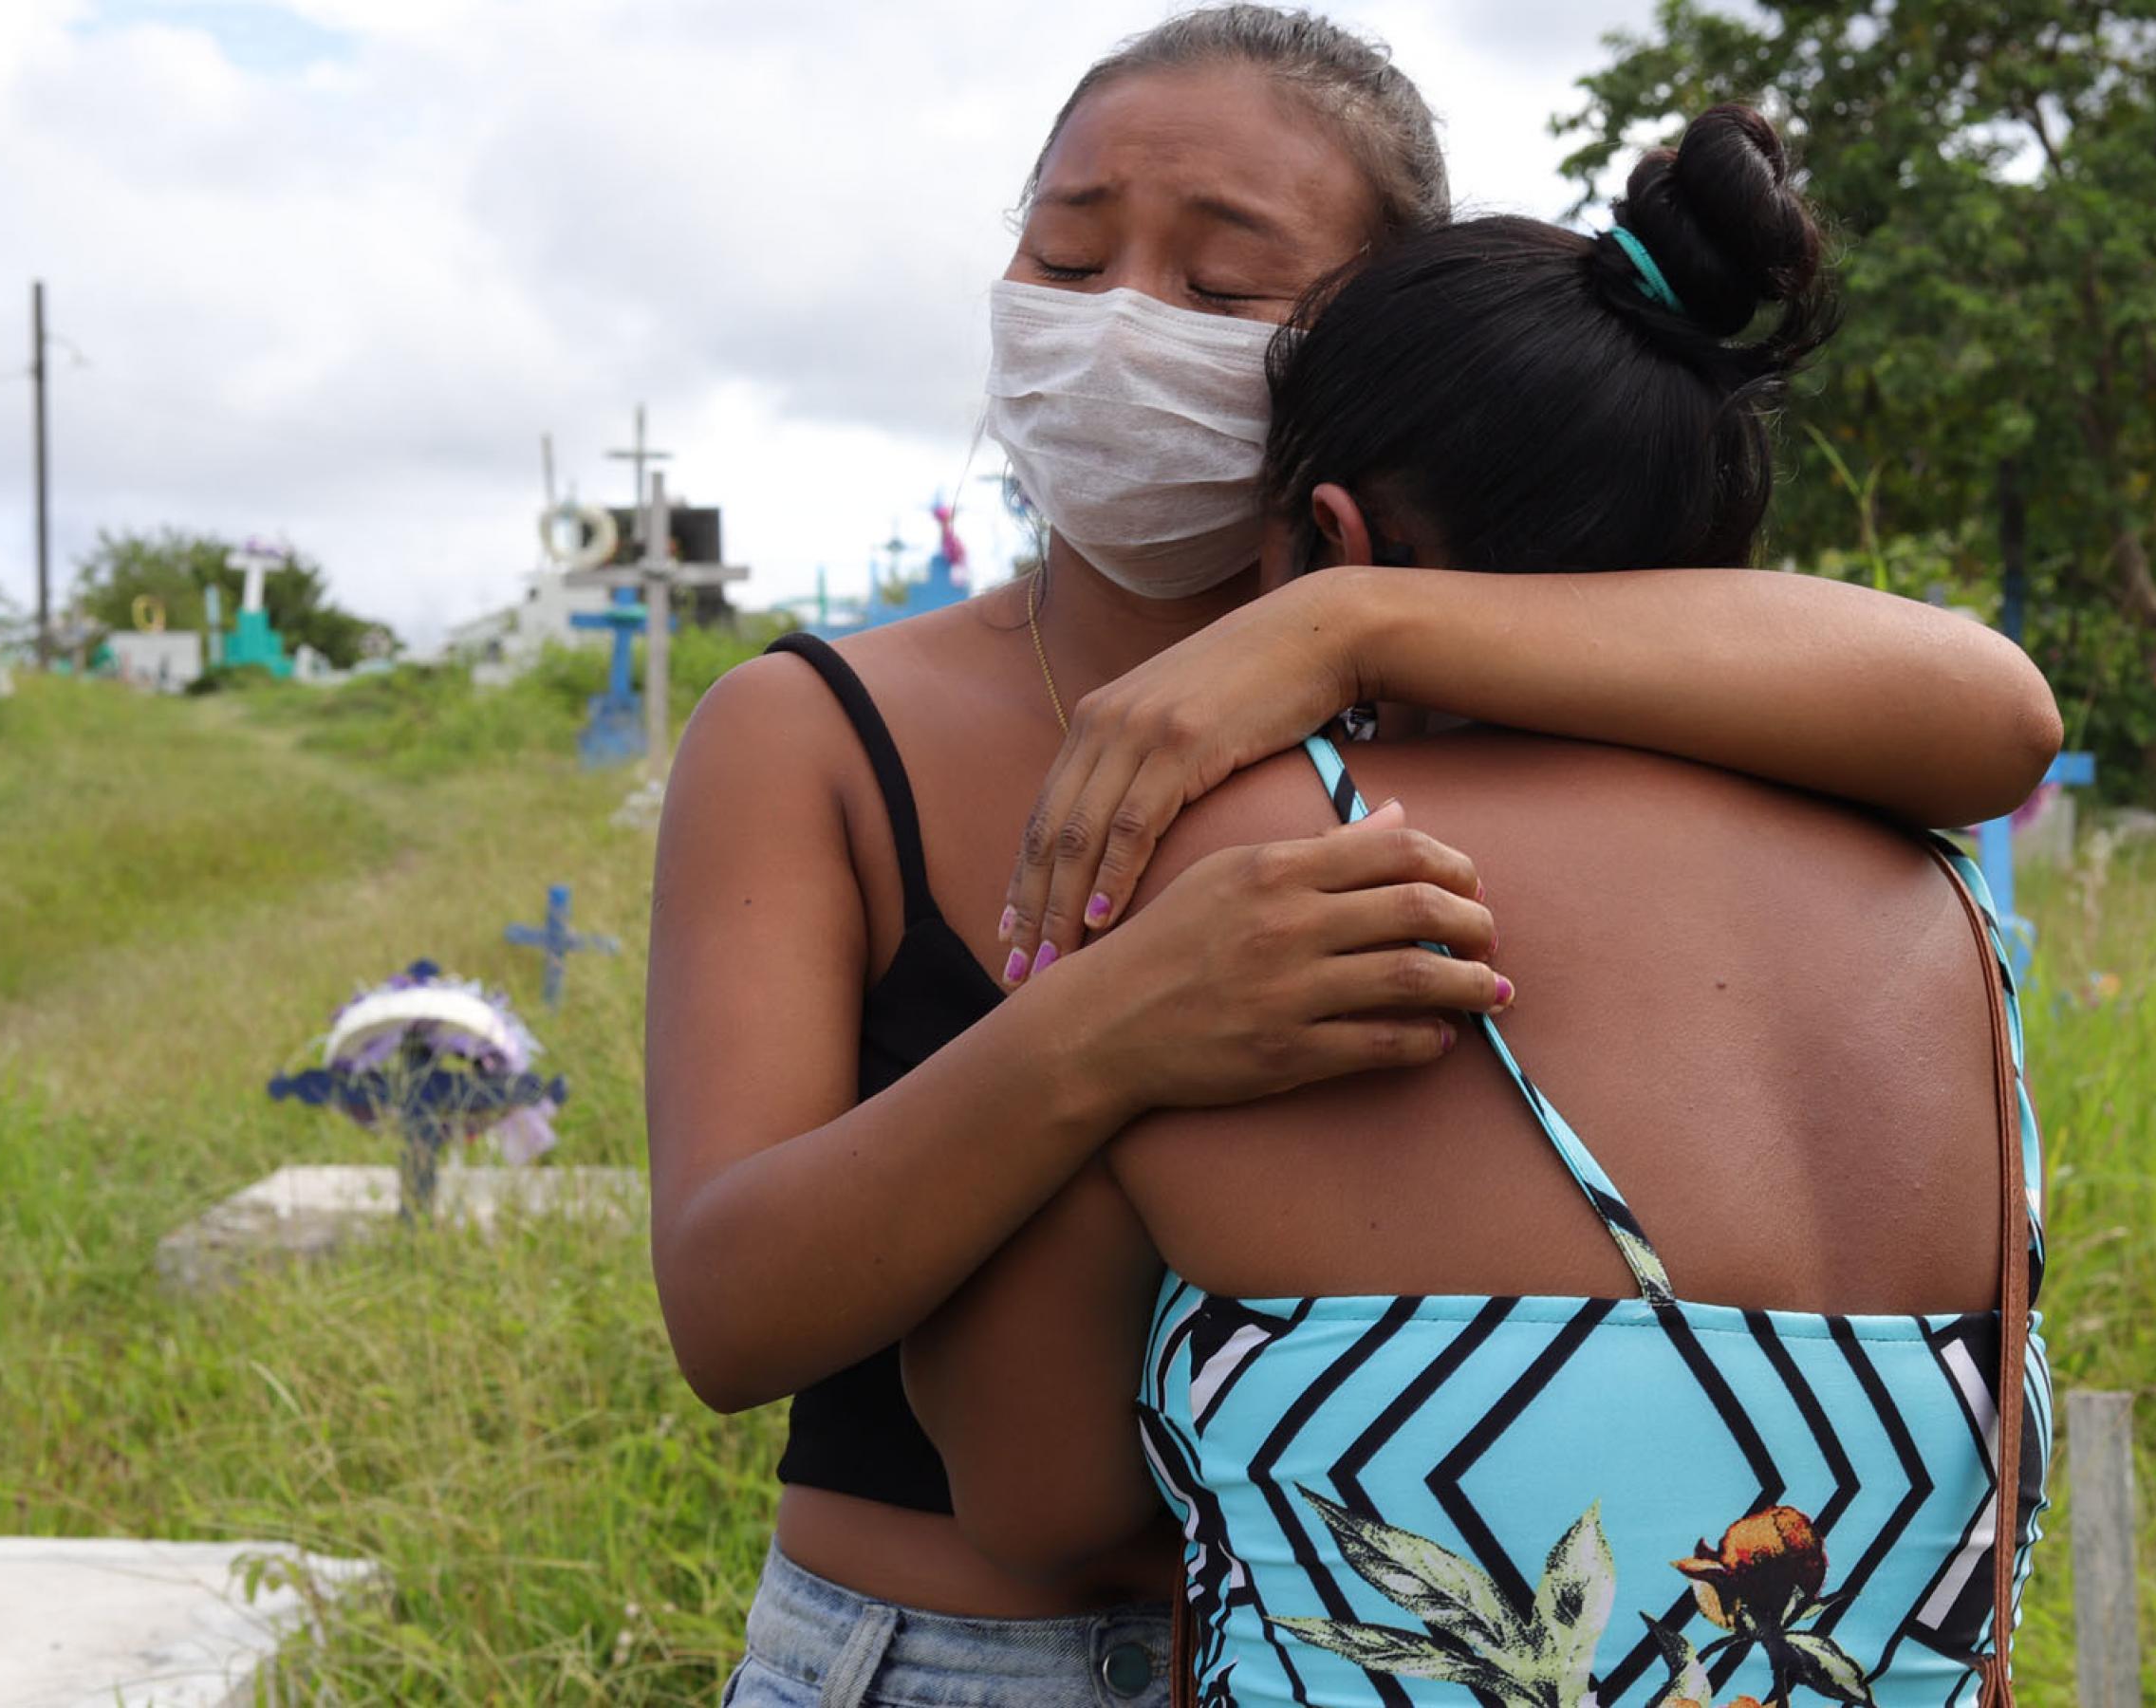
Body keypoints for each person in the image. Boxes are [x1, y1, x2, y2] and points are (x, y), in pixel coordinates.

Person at [649, 10, 2058, 1704]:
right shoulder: (812, 732)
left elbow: (1991, 709)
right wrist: (1107, 1031)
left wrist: (1348, 622)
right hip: (952, 1651)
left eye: (1224, 290)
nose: (1115, 327)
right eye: (1066, 251)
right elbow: (730, 1319)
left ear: (1371, 327)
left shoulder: (1595, 689)